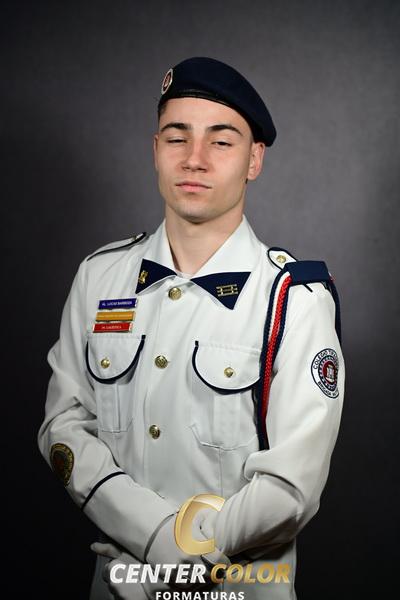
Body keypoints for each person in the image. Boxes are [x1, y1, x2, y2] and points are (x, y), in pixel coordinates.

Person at [38, 57, 345, 600]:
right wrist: (152, 532)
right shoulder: (99, 277)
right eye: (177, 138)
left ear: (254, 159)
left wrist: (181, 551)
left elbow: (291, 488)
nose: (194, 159)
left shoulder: (294, 300)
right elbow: (64, 428)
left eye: (221, 142)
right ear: (155, 149)